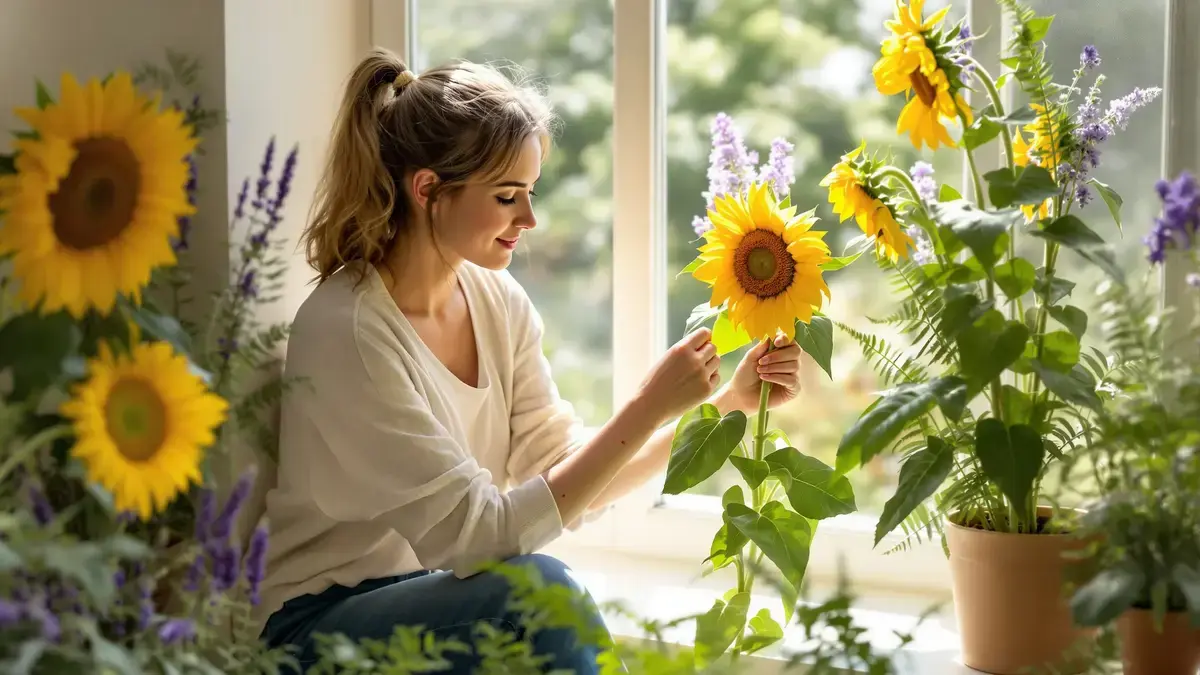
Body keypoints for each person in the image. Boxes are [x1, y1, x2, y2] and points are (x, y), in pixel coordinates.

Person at [256, 47, 806, 674]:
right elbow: (480, 537)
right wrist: (647, 404)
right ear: (429, 190)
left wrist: (725, 404)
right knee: (541, 595)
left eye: (531, 192)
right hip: (315, 629)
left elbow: (572, 481)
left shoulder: (496, 299)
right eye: (508, 196)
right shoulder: (349, 330)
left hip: (442, 603)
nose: (531, 218)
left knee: (539, 595)